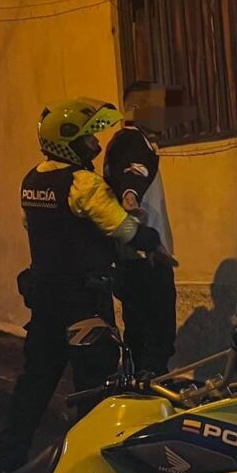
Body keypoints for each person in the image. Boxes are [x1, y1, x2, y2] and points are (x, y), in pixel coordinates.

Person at [0, 98, 162, 473]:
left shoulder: (32, 178)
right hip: (85, 303)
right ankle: (87, 470)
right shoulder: (83, 183)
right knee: (96, 387)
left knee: (34, 384)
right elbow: (122, 228)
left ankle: (7, 463)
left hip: (46, 300)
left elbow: (32, 227)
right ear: (69, 141)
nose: (96, 145)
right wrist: (149, 238)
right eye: (88, 138)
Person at [104, 82, 180, 376]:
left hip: (131, 258)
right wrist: (130, 195)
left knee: (138, 336)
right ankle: (151, 404)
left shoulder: (122, 141)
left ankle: (137, 394)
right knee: (157, 340)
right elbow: (134, 173)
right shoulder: (132, 140)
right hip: (145, 259)